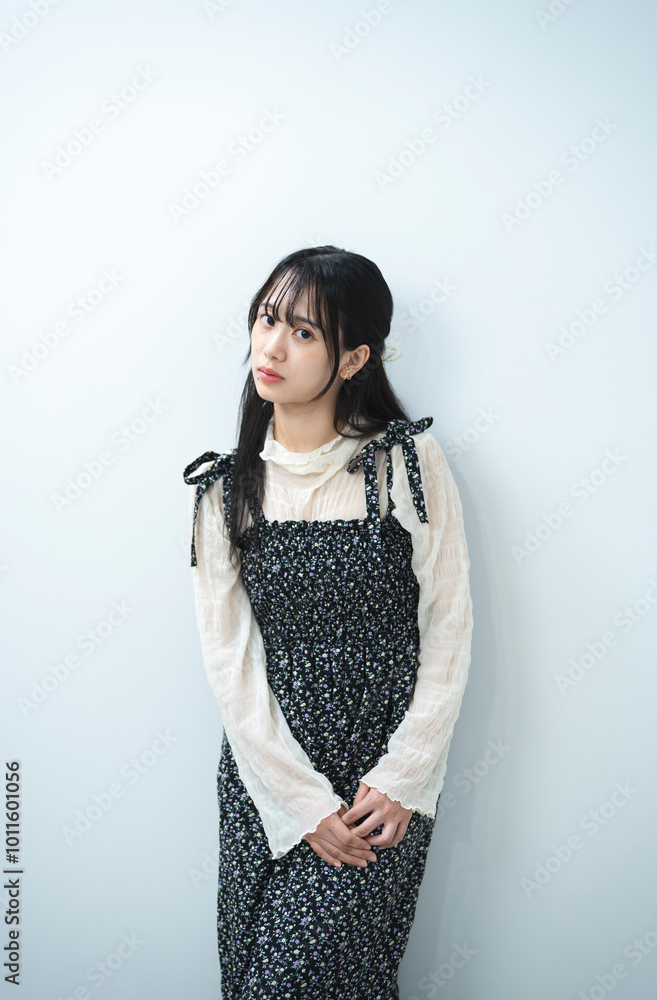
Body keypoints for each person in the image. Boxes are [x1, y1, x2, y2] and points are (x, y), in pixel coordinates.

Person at [183, 245, 473, 999]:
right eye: (267, 319)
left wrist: (406, 773)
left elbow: (448, 624)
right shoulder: (225, 491)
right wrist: (301, 803)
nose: (272, 347)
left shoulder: (405, 464)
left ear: (353, 358)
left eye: (304, 332)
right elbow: (230, 663)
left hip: (379, 789)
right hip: (267, 780)